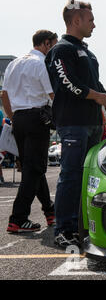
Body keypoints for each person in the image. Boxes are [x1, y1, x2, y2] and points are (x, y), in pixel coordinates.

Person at [45, 0, 106, 248]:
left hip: (93, 123)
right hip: (73, 124)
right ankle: (64, 229)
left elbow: (94, 83)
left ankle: (80, 226)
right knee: (72, 176)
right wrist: (98, 97)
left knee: (90, 178)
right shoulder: (61, 50)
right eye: (90, 20)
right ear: (76, 21)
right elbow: (68, 83)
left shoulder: (88, 52)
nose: (94, 24)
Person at [1, 30, 58, 233]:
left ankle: (50, 212)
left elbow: (4, 94)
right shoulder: (41, 63)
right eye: (54, 45)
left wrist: (13, 117)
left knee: (33, 168)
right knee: (34, 169)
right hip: (37, 118)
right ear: (46, 44)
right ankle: (18, 218)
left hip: (19, 119)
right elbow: (52, 94)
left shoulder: (13, 64)